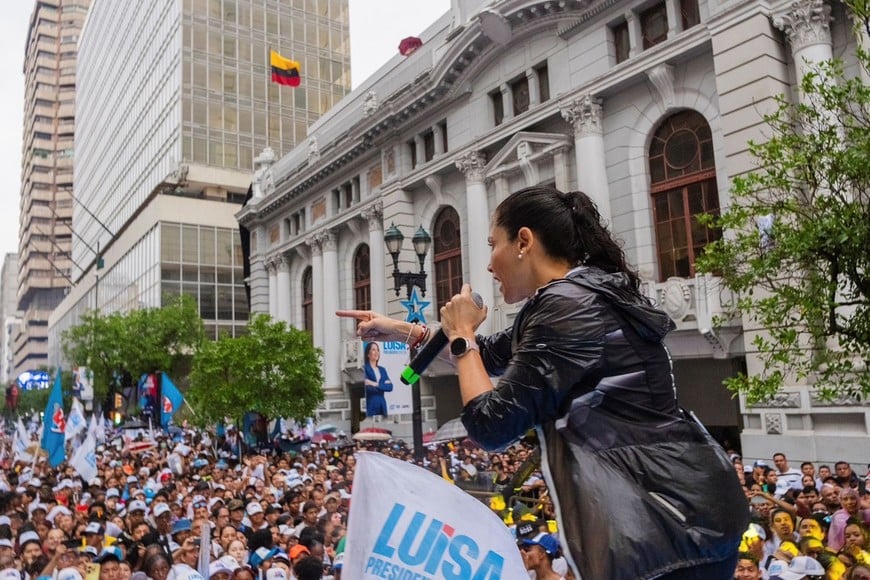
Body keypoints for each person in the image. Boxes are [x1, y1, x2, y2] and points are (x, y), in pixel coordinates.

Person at [337, 186, 747, 579]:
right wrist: (401, 331)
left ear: (524, 241)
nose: (489, 264)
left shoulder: (568, 305)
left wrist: (462, 336)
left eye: (492, 244)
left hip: (669, 526)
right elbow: (494, 354)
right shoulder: (574, 298)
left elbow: (491, 424)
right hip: (683, 519)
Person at [362, 342, 393, 421]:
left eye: (377, 350)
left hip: (382, 404)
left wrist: (374, 383)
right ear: (368, 354)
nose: (376, 352)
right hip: (371, 404)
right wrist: (383, 385)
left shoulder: (382, 370)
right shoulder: (365, 369)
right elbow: (368, 388)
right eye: (373, 350)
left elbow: (390, 387)